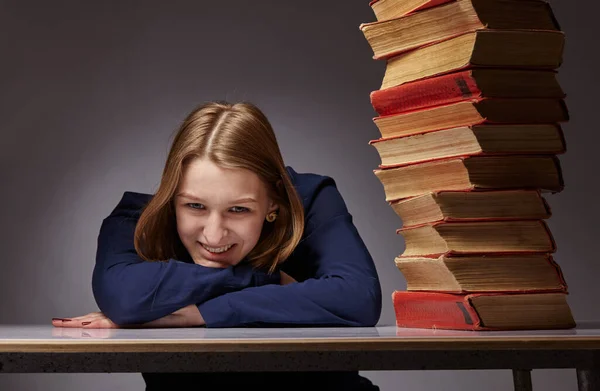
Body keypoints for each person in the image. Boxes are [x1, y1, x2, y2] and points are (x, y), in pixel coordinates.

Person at [52, 101, 382, 390]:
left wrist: (199, 313)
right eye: (194, 206)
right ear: (171, 195)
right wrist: (259, 278)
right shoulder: (136, 222)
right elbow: (124, 299)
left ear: (274, 202)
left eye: (238, 210)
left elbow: (358, 298)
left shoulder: (309, 200)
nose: (213, 236)